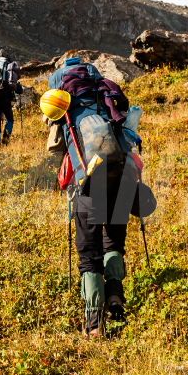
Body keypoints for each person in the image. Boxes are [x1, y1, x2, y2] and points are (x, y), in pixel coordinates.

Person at [49, 57, 132, 337]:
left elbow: (56, 145)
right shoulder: (105, 91)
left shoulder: (63, 103)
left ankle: (94, 324)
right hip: (120, 176)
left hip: (87, 182)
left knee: (88, 254)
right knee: (113, 241)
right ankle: (115, 295)